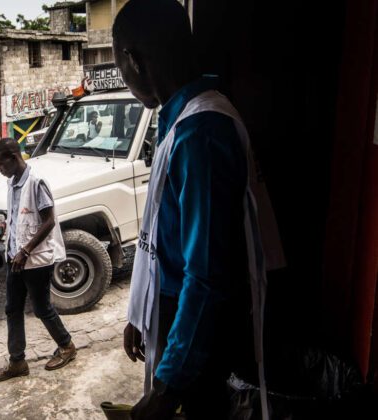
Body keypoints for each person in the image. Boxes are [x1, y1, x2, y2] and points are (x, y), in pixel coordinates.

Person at [113, 0, 272, 419]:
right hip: (172, 317)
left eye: (119, 66)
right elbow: (160, 238)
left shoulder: (201, 132)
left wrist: (167, 386)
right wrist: (140, 314)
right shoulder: (178, 118)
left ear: (133, 59)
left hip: (200, 334)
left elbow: (205, 276)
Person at [0, 138, 76, 382]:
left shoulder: (36, 183)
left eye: (0, 164)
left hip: (35, 260)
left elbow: (49, 221)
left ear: (14, 158)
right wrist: (4, 225)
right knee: (12, 309)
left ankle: (67, 346)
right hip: (15, 258)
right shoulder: (13, 183)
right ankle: (17, 361)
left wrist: (26, 250)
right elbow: (20, 215)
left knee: (41, 308)